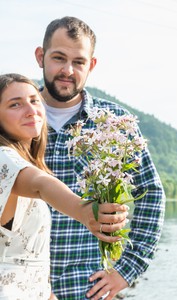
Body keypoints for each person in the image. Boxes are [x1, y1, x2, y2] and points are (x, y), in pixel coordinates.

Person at [34, 16, 166, 300]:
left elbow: (151, 193)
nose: (67, 70)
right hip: (17, 286)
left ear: (91, 66)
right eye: (58, 58)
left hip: (87, 289)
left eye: (79, 62)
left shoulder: (115, 122)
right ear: (40, 57)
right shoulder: (14, 115)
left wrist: (127, 269)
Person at [0, 73, 129, 299]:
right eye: (15, 104)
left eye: (34, 100)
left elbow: (27, 258)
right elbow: (41, 184)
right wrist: (83, 210)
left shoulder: (29, 161)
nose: (31, 110)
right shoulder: (4, 158)